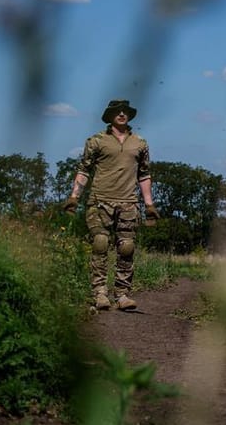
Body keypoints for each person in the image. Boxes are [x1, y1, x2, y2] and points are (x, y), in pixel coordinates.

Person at [62, 99, 158, 311]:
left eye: (125, 111)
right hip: (100, 200)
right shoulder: (96, 141)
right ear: (110, 115)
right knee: (100, 243)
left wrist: (149, 205)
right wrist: (74, 197)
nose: (122, 114)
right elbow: (84, 170)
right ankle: (100, 293)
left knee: (126, 247)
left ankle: (122, 295)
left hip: (128, 203)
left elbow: (144, 174)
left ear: (130, 115)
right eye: (117, 111)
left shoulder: (140, 143)